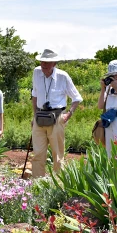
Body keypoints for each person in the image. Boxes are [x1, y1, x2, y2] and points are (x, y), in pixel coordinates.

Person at [31, 49, 82, 178]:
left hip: (57, 116)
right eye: (42, 61)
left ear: (54, 63)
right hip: (40, 116)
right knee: (37, 153)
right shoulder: (36, 72)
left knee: (58, 154)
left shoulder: (63, 76)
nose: (44, 65)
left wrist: (68, 114)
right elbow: (35, 95)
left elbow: (76, 98)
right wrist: (34, 114)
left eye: (47, 62)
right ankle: (38, 184)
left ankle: (59, 185)